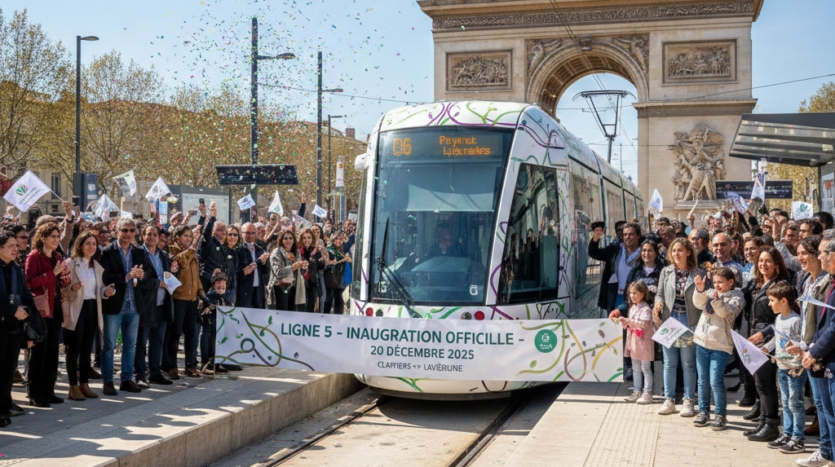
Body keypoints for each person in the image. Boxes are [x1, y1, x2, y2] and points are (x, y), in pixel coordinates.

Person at [743, 245, 791, 442]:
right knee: (759, 383)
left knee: (766, 384)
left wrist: (763, 334)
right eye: (760, 261)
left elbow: (781, 317)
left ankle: (771, 424)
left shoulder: (781, 286)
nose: (763, 264)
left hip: (769, 339)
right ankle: (763, 421)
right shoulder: (757, 283)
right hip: (754, 336)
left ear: (777, 264)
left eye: (768, 261)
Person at [654, 238, 706, 417]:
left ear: (688, 252)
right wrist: (658, 303)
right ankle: (669, 400)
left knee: (688, 364)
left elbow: (704, 298)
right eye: (674, 250)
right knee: (669, 363)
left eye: (680, 250)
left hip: (689, 321)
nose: (676, 254)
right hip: (670, 320)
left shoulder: (698, 273)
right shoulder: (666, 271)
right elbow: (659, 293)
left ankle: (689, 400)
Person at [795, 230, 835, 467]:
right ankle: (828, 452)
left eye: (821, 253)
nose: (819, 258)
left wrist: (814, 351)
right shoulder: (828, 281)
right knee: (823, 408)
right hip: (820, 355)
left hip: (825, 356)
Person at [691, 267, 745, 431]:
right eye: (714, 282)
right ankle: (703, 411)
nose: (717, 285)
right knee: (702, 380)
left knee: (715, 380)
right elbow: (698, 303)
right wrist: (700, 290)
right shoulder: (710, 292)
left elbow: (726, 313)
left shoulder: (737, 296)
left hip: (720, 345)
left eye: (720, 282)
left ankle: (720, 414)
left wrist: (717, 300)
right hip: (702, 342)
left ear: (731, 282)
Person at [62, 231, 112, 401]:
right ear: (80, 245)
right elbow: (62, 289)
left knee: (86, 349)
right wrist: (72, 289)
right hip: (77, 307)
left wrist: (107, 291)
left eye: (94, 243)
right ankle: (72, 386)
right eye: (88, 243)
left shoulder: (96, 266)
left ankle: (84, 383)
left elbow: (100, 289)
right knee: (73, 349)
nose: (91, 247)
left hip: (92, 307)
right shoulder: (71, 264)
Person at [99, 218, 147, 396]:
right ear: (117, 231)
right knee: (109, 345)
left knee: (130, 345)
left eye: (132, 230)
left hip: (133, 304)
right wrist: (127, 276)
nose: (128, 234)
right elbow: (106, 276)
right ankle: (108, 381)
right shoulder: (107, 252)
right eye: (124, 230)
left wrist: (141, 275)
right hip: (114, 305)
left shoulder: (139, 252)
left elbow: (146, 273)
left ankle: (126, 379)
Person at [25, 222, 71, 407]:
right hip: (41, 309)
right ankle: (36, 393)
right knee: (39, 353)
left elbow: (63, 282)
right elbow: (30, 282)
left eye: (57, 236)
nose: (55, 239)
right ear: (42, 237)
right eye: (52, 236)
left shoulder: (58, 256)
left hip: (56, 306)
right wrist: (53, 273)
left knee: (53, 352)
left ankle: (49, 391)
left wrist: (65, 275)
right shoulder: (33, 257)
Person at [760, 280, 807, 453]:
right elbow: (777, 337)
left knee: (796, 403)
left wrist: (799, 353)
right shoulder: (779, 318)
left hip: (795, 369)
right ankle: (787, 434)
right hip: (782, 366)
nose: (769, 304)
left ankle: (798, 437)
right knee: (786, 403)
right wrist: (768, 347)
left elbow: (803, 342)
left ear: (784, 301)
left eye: (772, 300)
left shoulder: (796, 320)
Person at [0, 231, 37, 427]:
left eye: (16, 245)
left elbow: (24, 293)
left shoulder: (16, 268)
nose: (16, 249)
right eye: (10, 246)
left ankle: (4, 408)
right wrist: (13, 310)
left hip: (14, 328)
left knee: (7, 371)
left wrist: (28, 314)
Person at [167, 225, 209, 378]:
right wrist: (193, 247)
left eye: (191, 236)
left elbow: (196, 279)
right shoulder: (173, 252)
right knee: (175, 334)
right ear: (178, 237)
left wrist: (203, 296)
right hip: (178, 299)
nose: (189, 239)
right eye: (186, 236)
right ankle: (172, 367)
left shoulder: (193, 256)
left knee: (191, 334)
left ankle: (190, 366)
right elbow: (182, 262)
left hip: (192, 300)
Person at [136, 225, 176, 386]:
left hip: (162, 304)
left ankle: (155, 372)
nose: (152, 237)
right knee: (141, 342)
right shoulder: (138, 254)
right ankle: (139, 374)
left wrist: (173, 272)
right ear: (143, 236)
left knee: (158, 341)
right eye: (149, 234)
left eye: (155, 234)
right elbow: (139, 278)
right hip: (146, 304)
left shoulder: (164, 255)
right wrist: (156, 283)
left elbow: (167, 277)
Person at [590, 222, 643, 319]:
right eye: (625, 234)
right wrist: (596, 238)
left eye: (631, 234)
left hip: (637, 298)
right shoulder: (616, 249)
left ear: (638, 236)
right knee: (615, 329)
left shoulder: (644, 253)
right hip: (617, 296)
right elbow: (595, 253)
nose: (628, 237)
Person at [620, 281, 655, 405]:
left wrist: (628, 321)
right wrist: (625, 323)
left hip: (644, 342)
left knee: (645, 367)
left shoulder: (646, 309)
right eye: (630, 293)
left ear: (642, 294)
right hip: (634, 342)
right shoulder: (632, 308)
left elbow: (645, 324)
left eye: (635, 293)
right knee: (635, 368)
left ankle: (648, 392)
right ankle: (637, 390)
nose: (632, 296)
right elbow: (631, 323)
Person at [267, 230, 304, 311]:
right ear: (281, 240)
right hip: (280, 288)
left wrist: (304, 266)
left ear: (294, 240)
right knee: (282, 315)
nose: (288, 241)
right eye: (285, 238)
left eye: (290, 238)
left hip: (294, 287)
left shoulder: (296, 252)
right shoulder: (276, 252)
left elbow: (300, 272)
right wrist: (292, 267)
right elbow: (278, 272)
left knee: (292, 315)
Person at [236, 223, 270, 309]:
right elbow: (238, 272)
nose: (250, 236)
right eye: (247, 233)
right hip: (244, 289)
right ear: (242, 233)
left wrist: (265, 262)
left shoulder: (260, 249)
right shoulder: (238, 250)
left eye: (253, 233)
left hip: (258, 288)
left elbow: (266, 271)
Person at [297, 229, 325, 313]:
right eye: (304, 238)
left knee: (310, 306)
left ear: (312, 239)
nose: (306, 240)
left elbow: (320, 266)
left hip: (312, 281)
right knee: (302, 307)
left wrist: (321, 260)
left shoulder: (315, 251)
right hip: (301, 282)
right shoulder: (298, 251)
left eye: (309, 238)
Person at [324, 231, 350, 314]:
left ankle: (338, 319)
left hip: (340, 279)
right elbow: (330, 262)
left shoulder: (344, 250)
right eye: (336, 239)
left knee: (339, 300)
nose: (338, 241)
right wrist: (343, 260)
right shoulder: (329, 249)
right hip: (330, 279)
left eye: (340, 239)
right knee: (328, 300)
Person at [311, 224, 328, 313]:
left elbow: (326, 256)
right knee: (313, 295)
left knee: (323, 294)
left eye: (317, 231)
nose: (316, 233)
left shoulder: (321, 241)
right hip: (311, 271)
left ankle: (321, 313)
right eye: (313, 231)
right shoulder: (308, 240)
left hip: (320, 270)